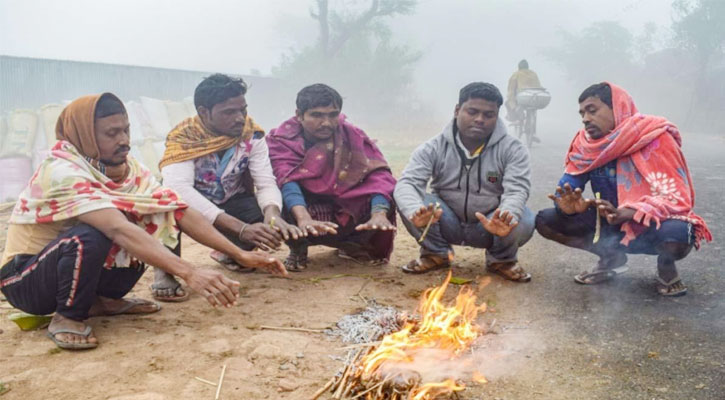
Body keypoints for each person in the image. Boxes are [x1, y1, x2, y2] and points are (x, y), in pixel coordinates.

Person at [0, 93, 286, 350]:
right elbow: (116, 228)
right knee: (91, 235)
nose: (124, 140)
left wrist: (240, 254)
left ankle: (104, 302)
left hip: (69, 273)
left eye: (125, 130)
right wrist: (190, 273)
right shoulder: (62, 170)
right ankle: (67, 317)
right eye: (111, 133)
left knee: (152, 212)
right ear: (84, 135)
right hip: (26, 281)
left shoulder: (129, 169)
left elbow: (178, 210)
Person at [535, 82, 712, 296]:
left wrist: (630, 212)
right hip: (608, 224)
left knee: (680, 233)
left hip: (651, 225)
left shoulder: (654, 137)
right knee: (545, 220)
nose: (585, 119)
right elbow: (567, 188)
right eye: (582, 113)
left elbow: (678, 197)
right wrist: (568, 207)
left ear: (617, 108)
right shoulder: (586, 146)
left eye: (592, 110)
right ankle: (611, 258)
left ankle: (666, 265)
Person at [157, 74, 300, 300]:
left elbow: (265, 182)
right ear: (204, 112)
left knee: (266, 216)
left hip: (233, 200)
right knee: (165, 205)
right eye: (229, 112)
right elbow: (180, 190)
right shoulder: (183, 139)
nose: (239, 118)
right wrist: (241, 228)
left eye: (242, 110)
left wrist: (273, 216)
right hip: (189, 207)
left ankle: (229, 254)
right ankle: (166, 271)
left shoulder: (252, 134)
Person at [394, 82, 534, 281]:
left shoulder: (513, 149)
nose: (479, 119)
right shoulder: (433, 147)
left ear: (497, 116)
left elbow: (517, 190)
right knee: (413, 201)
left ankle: (502, 260)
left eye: (488, 114)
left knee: (523, 217)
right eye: (472, 111)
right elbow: (407, 183)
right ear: (457, 110)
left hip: (489, 225)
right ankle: (436, 254)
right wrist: (413, 211)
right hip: (445, 220)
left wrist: (507, 216)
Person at [266, 84, 397, 271]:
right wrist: (304, 219)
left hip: (345, 209)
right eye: (317, 115)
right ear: (299, 115)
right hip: (304, 211)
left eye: (333, 115)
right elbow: (287, 180)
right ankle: (298, 247)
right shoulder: (282, 140)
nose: (326, 123)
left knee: (388, 192)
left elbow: (378, 175)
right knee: (275, 198)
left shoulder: (352, 134)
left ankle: (354, 246)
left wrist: (379, 213)